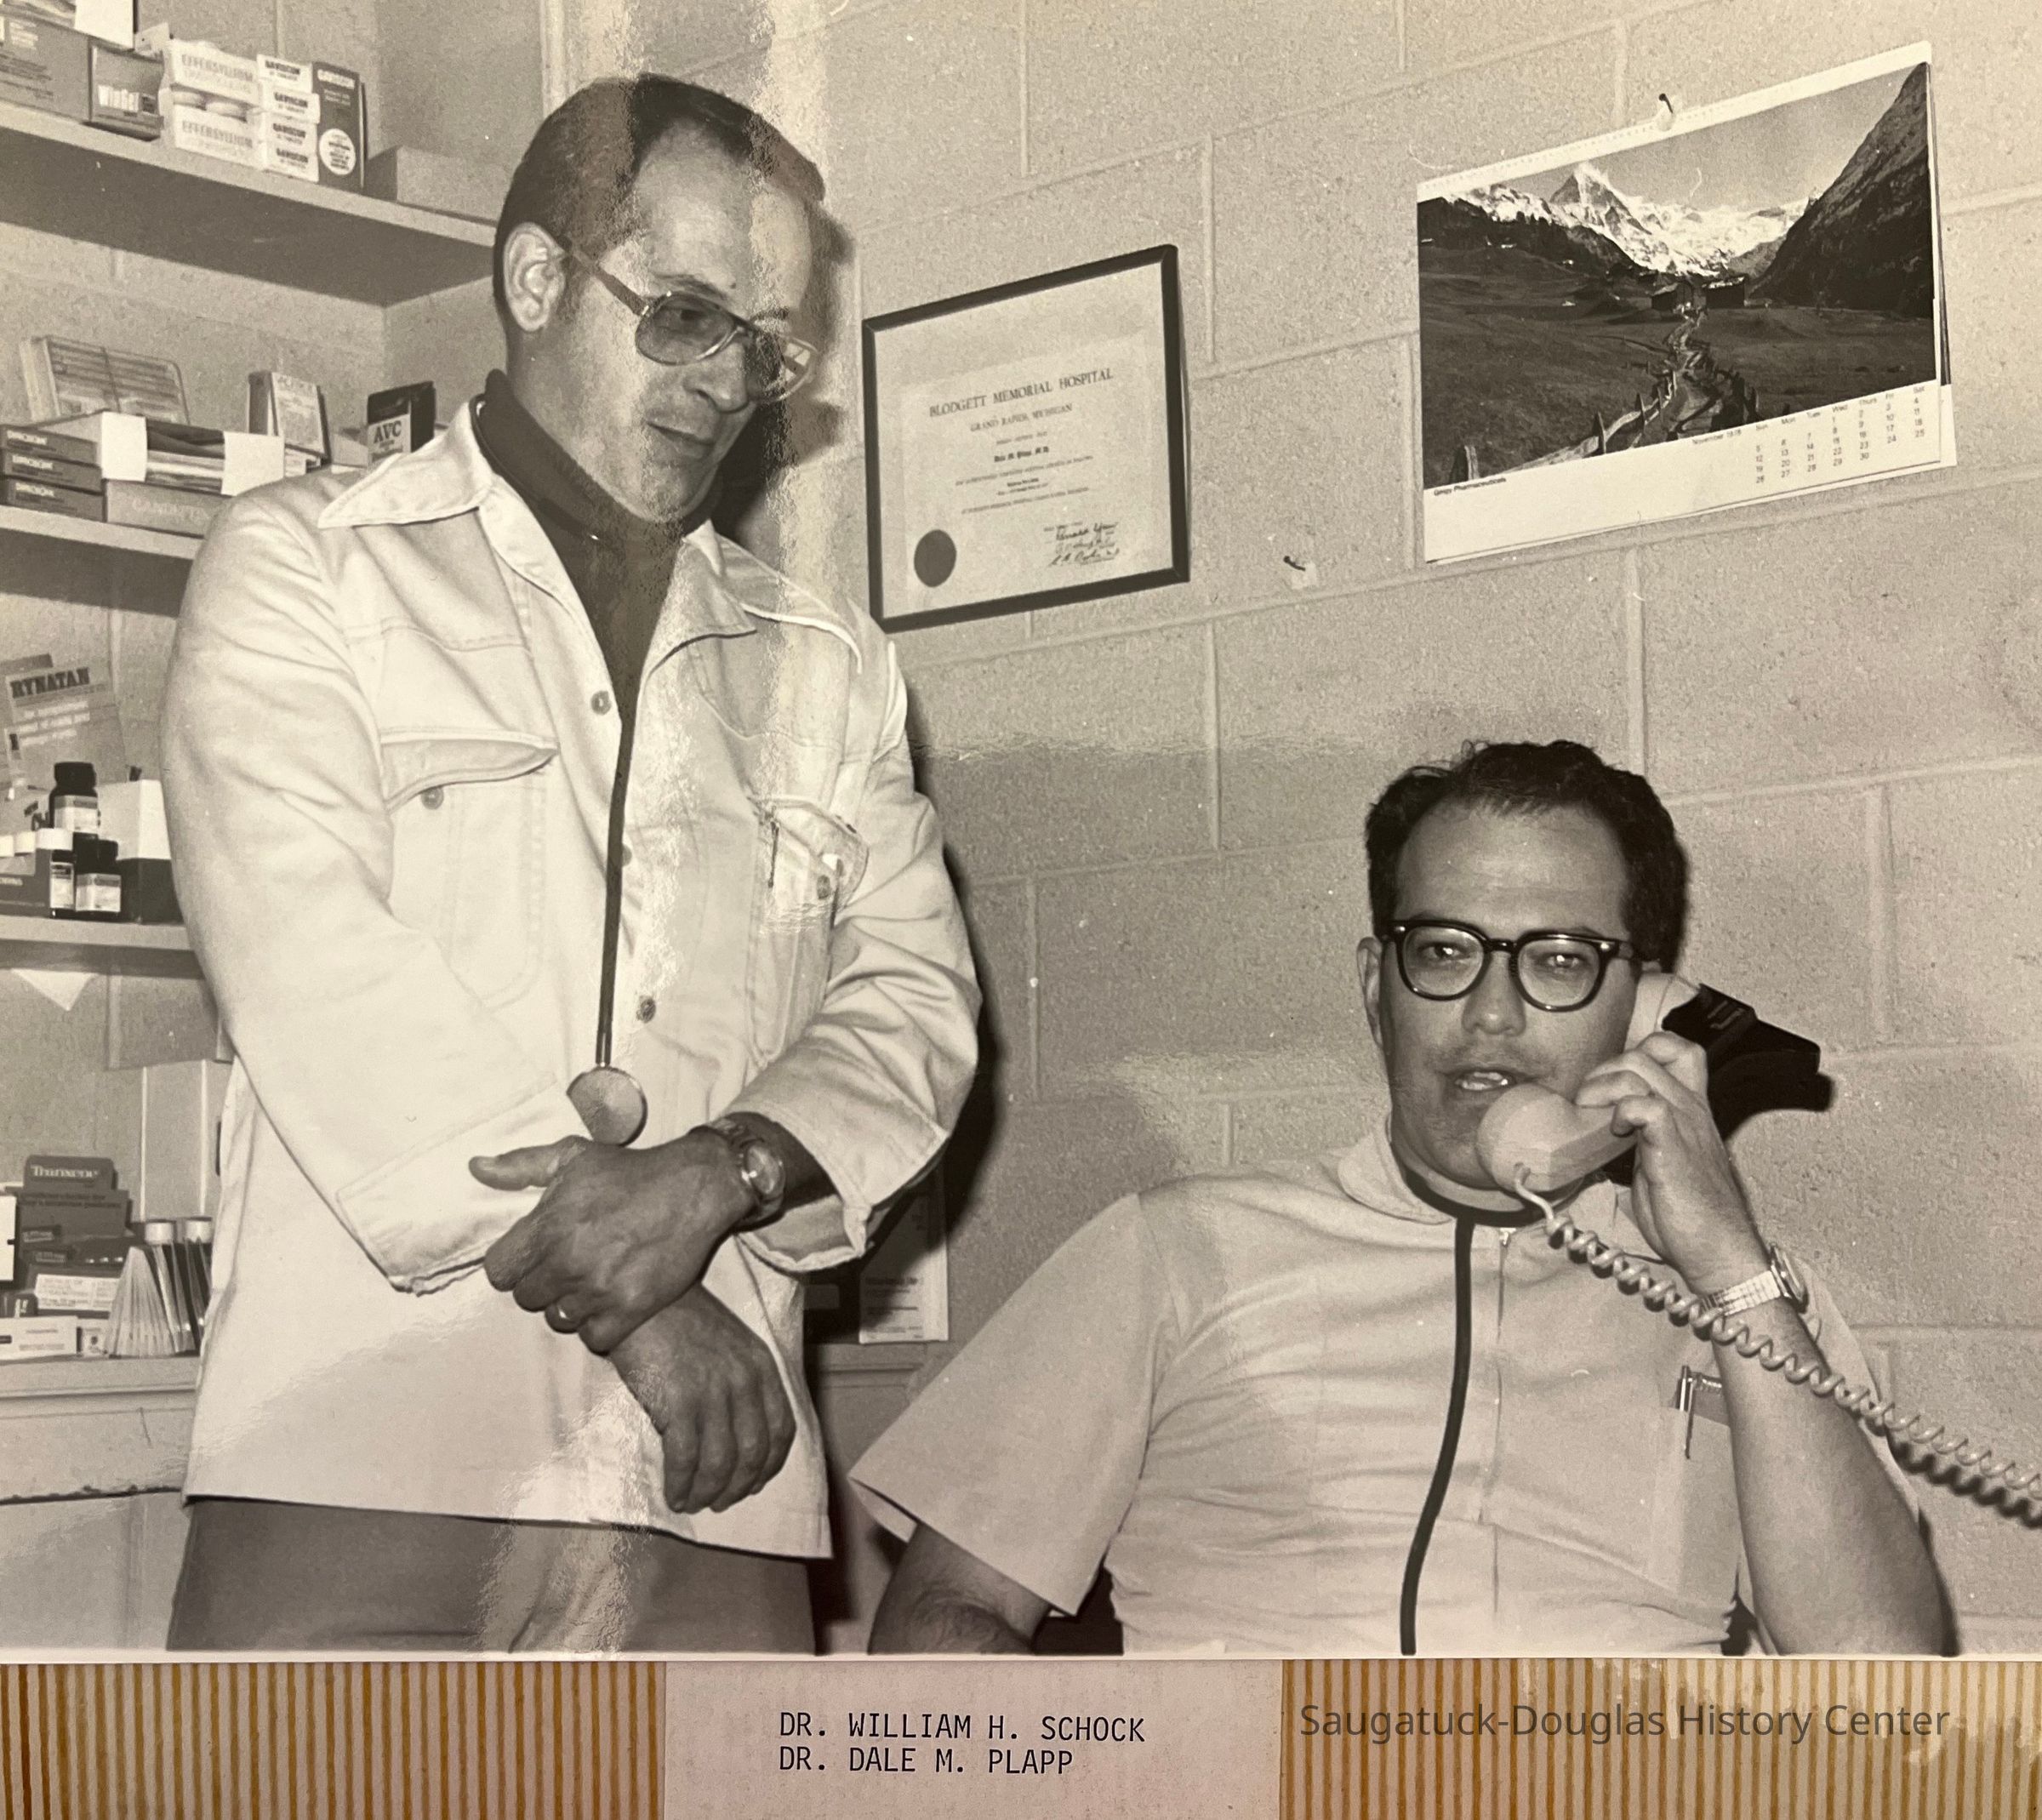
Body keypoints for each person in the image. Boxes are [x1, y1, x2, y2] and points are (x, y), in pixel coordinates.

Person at [159, 77, 978, 1651]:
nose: (727, 382)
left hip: (713, 1478)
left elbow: (914, 1006)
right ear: (537, 279)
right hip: (366, 1463)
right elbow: (314, 962)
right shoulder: (306, 568)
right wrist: (647, 1302)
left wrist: (727, 1171)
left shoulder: (830, 665)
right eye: (684, 316)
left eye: (766, 346)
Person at [856, 740, 1948, 1657]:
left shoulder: (1748, 1299)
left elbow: (1887, 1681)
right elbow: (943, 1615)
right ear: (1378, 989)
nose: (1490, 1015)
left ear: (1646, 1008)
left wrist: (1729, 1273)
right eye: (1444, 950)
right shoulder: (1176, 1250)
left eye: (1559, 961)